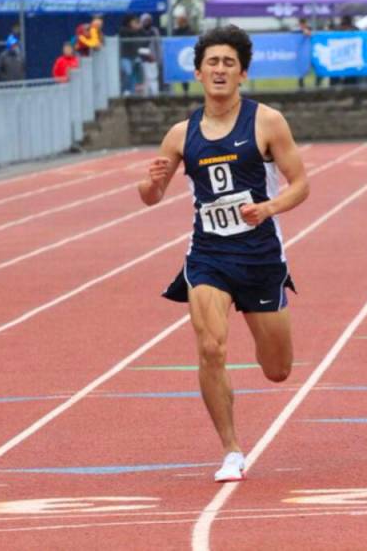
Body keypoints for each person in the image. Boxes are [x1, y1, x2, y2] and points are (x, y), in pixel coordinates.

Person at [137, 25, 310, 482]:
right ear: (197, 72)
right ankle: (231, 450)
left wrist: (269, 207)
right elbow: (148, 196)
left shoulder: (267, 122)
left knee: (278, 369)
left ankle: (266, 331)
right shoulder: (180, 133)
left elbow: (302, 184)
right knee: (210, 347)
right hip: (208, 254)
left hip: (259, 255)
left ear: (242, 73)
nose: (219, 70)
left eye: (228, 63)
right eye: (212, 62)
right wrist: (152, 181)